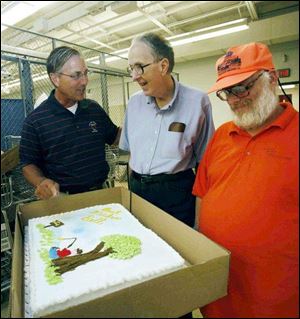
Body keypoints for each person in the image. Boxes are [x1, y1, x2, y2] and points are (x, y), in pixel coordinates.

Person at [193, 42, 299, 318]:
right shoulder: (222, 135)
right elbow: (203, 193)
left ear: (272, 79)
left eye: (243, 87)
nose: (235, 99)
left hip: (275, 300)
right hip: (220, 292)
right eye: (227, 92)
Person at [119, 33, 215, 228]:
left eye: (140, 67)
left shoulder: (197, 102)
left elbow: (206, 163)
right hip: (138, 190)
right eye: (131, 68)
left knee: (178, 249)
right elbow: (130, 152)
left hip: (176, 193)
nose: (134, 76)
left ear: (163, 66)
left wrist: (200, 220)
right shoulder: (134, 103)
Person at [20, 46, 121, 200]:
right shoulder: (36, 121)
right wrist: (41, 182)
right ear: (55, 79)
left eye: (86, 73)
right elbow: (28, 164)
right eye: (76, 76)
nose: (85, 81)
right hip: (64, 201)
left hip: (101, 194)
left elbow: (115, 137)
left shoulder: (93, 109)